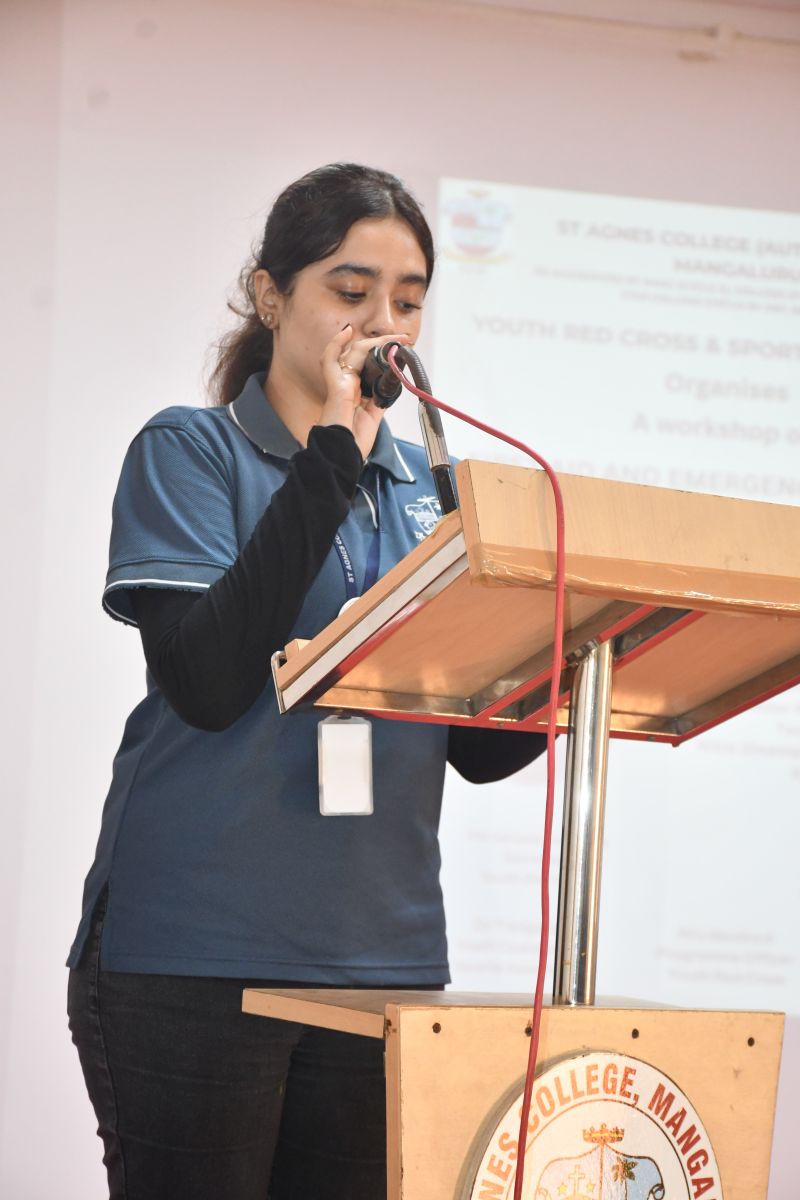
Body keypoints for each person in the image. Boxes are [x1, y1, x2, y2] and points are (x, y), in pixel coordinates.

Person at [67, 162, 545, 1200]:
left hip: (382, 961)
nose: (382, 324)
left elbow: (481, 750)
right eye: (350, 290)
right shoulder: (191, 450)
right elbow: (206, 682)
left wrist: (565, 643)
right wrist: (332, 454)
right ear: (271, 295)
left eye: (408, 300)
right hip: (195, 954)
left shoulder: (434, 493)